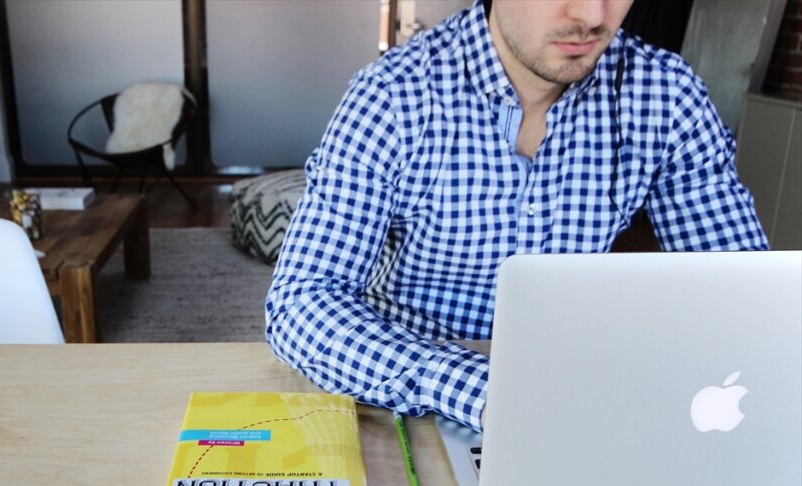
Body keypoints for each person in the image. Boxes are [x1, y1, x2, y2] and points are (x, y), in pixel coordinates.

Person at [265, 0, 768, 433]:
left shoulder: (666, 95)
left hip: (573, 398)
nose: (593, 15)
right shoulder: (393, 95)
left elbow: (746, 297)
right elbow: (301, 303)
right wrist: (488, 391)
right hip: (406, 402)